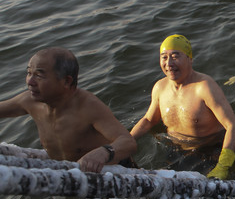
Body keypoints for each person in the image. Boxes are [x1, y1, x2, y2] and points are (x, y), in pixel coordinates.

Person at [0, 47, 136, 173]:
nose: (30, 81)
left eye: (39, 76)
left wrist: (103, 153)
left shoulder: (88, 107)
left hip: (114, 174)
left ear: (66, 81)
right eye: (29, 73)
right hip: (73, 175)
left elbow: (128, 142)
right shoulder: (29, 102)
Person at [130, 35, 235, 179]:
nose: (168, 63)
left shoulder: (204, 87)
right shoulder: (160, 88)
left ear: (190, 59)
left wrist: (223, 166)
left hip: (211, 151)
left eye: (175, 56)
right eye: (164, 57)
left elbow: (232, 126)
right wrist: (126, 142)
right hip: (176, 151)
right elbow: (149, 121)